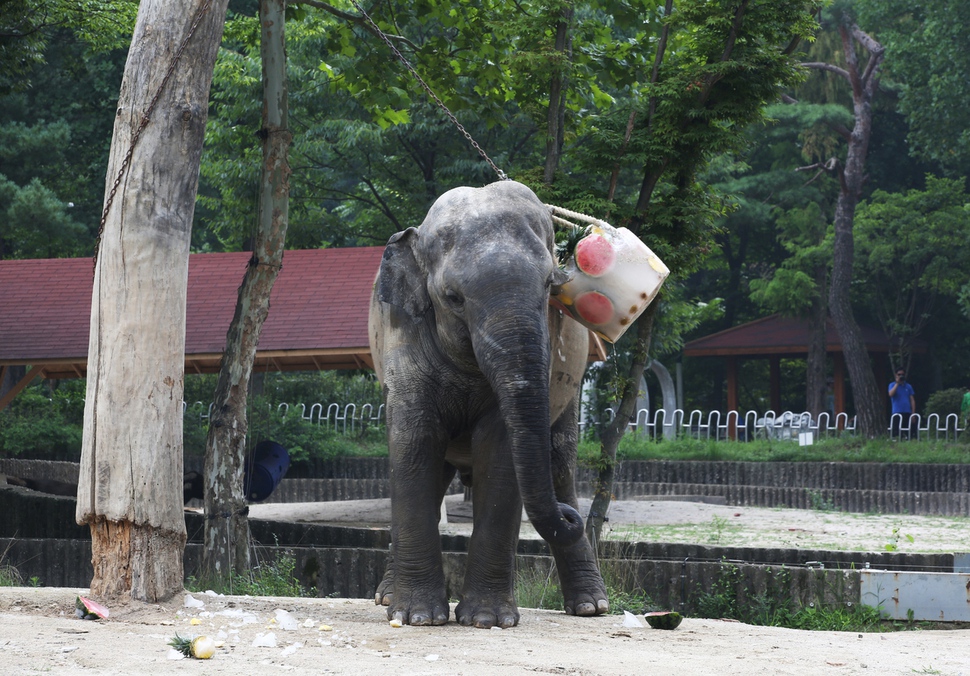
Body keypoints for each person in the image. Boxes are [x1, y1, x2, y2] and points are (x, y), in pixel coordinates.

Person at [888, 368, 915, 439]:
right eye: (899, 374)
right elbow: (891, 394)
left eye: (902, 374)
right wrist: (897, 383)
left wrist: (913, 413)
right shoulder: (892, 385)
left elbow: (912, 400)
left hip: (907, 412)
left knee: (909, 431)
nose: (901, 376)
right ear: (896, 375)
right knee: (896, 431)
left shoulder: (908, 386)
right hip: (897, 412)